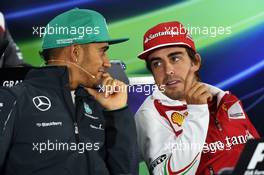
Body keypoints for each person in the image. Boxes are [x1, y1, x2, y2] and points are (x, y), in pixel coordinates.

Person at [0, 8, 138, 175]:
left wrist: (118, 112)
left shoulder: (98, 104)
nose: (107, 63)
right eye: (102, 51)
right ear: (75, 52)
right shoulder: (14, 99)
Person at [135, 21, 260, 175]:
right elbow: (167, 173)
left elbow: (257, 158)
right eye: (157, 63)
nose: (168, 71)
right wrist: (196, 111)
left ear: (195, 62)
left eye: (175, 58)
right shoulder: (149, 114)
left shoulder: (227, 100)